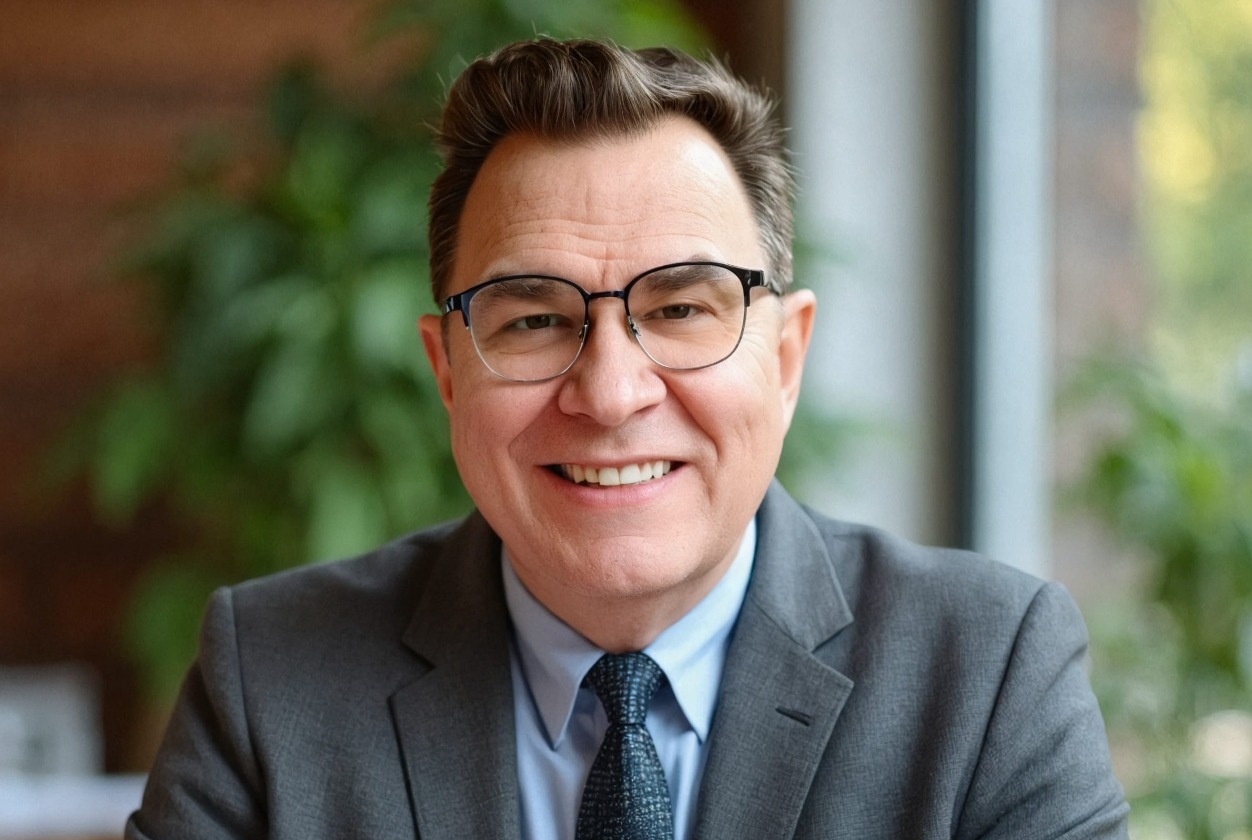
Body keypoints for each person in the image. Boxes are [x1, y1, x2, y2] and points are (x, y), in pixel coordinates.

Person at [126, 38, 1129, 840]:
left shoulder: (988, 672)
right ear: (446, 370)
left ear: (783, 358)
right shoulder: (273, 680)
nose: (609, 393)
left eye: (684, 308)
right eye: (532, 320)